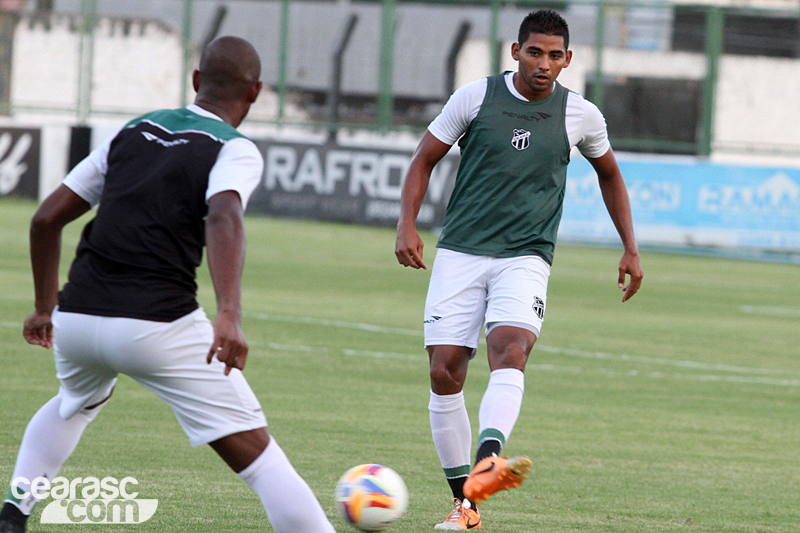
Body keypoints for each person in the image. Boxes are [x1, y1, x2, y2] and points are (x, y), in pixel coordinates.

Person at [0, 36, 335, 533]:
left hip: (78, 317)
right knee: (260, 460)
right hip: (157, 325)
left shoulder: (133, 130)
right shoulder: (235, 148)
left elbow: (46, 219)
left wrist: (44, 307)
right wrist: (229, 314)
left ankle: (13, 515)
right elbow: (223, 216)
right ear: (256, 92)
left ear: (196, 80)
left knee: (77, 400)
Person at [395, 9, 643, 530]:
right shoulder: (475, 97)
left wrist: (630, 247)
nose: (544, 64)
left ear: (567, 59)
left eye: (555, 55)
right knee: (444, 370)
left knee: (511, 348)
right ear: (515, 52)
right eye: (535, 52)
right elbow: (423, 159)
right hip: (461, 251)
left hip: (526, 256)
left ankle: (488, 460)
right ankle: (467, 505)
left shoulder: (581, 115)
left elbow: (610, 175)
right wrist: (407, 224)